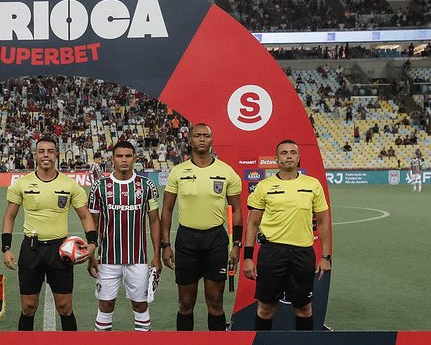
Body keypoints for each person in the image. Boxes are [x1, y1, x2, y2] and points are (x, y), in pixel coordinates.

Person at [2, 136, 96, 331]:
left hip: (60, 250)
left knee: (65, 307)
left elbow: (85, 215)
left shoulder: (70, 185)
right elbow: (9, 216)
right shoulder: (22, 183)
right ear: (36, 155)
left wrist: (92, 243)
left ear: (56, 155)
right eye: (42, 151)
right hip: (31, 249)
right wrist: (6, 248)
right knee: (28, 307)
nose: (46, 155)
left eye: (50, 151)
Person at [242, 139, 332, 331]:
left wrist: (325, 256)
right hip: (271, 253)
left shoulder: (313, 185)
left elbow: (323, 221)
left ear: (299, 157)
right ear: (276, 159)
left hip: (302, 253)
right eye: (284, 152)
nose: (289, 155)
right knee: (265, 308)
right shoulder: (264, 186)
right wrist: (248, 258)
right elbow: (252, 223)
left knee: (304, 308)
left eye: (293, 152)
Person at [160, 123, 243, 331]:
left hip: (216, 240)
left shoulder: (226, 171)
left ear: (212, 140)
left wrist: (237, 244)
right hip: (187, 240)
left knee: (215, 302)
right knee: (186, 303)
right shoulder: (178, 172)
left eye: (206, 135)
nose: (202, 139)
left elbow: (237, 210)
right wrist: (165, 245)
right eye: (198, 135)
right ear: (191, 140)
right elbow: (167, 210)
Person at [87, 141, 161, 331]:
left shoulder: (147, 186)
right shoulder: (99, 187)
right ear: (112, 159)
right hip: (107, 259)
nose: (124, 160)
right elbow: (92, 224)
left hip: (138, 259)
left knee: (141, 306)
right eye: (119, 156)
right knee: (105, 305)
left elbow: (154, 221)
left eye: (128, 156)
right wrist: (91, 255)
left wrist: (157, 256)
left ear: (134, 158)